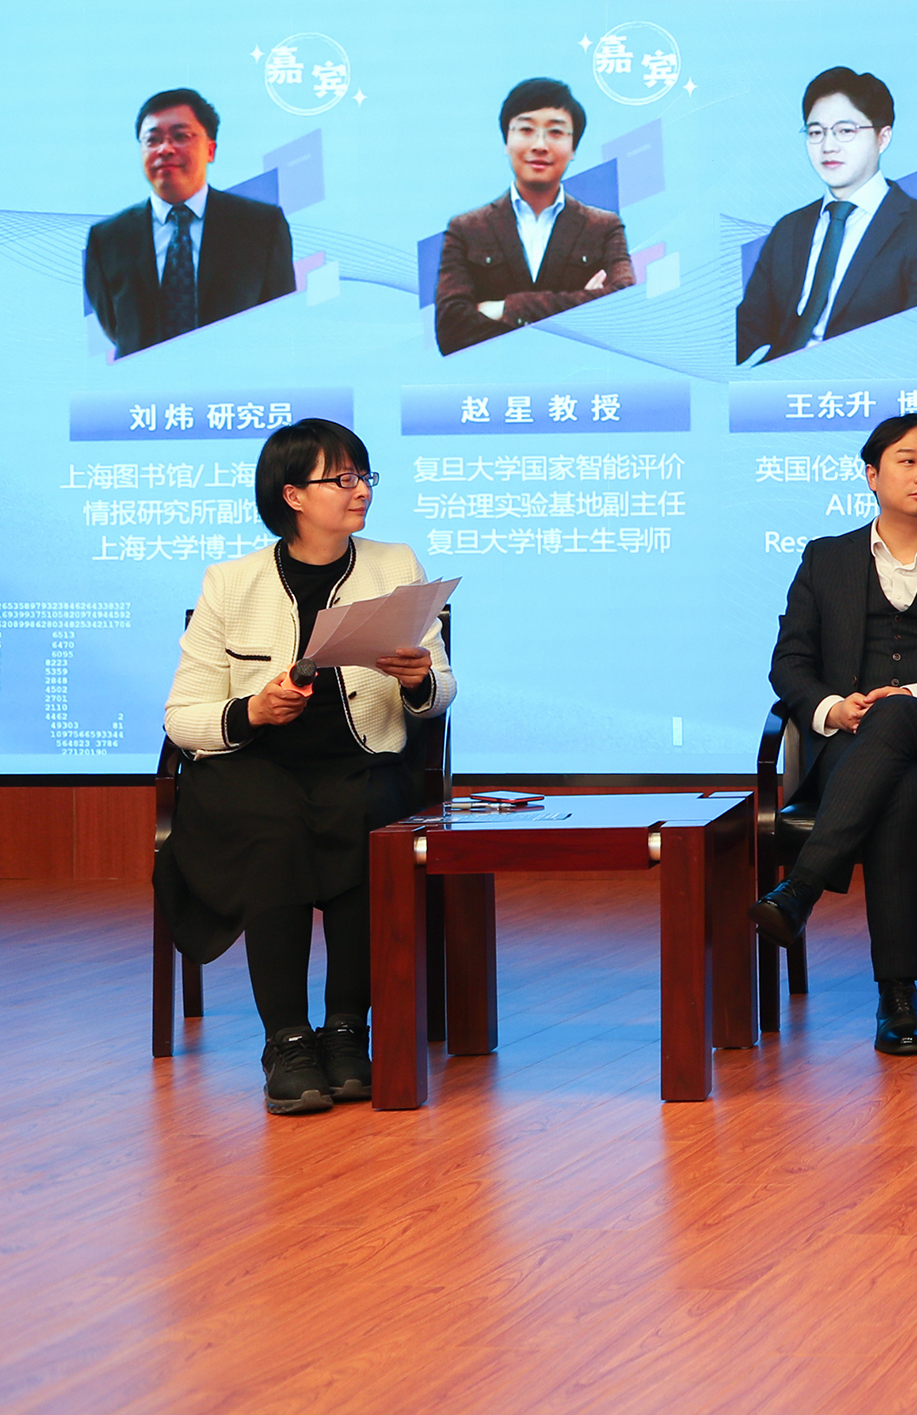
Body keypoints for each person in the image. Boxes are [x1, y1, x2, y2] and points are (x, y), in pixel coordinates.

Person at [156, 419, 454, 1115]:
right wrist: (253, 711)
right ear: (292, 495)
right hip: (252, 768)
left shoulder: (394, 566)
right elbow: (182, 716)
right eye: (342, 478)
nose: (361, 490)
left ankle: (348, 1031)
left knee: (366, 818)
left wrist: (418, 680)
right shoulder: (231, 583)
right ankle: (287, 1040)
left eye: (364, 476)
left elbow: (440, 687)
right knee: (273, 825)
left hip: (359, 763)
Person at [751, 413, 917, 1056]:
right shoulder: (825, 558)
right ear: (871, 475)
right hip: (852, 748)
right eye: (908, 460)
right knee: (901, 789)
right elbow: (790, 662)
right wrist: (833, 708)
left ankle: (802, 887)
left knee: (899, 715)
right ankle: (898, 997)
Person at [737, 67, 917, 364]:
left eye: (845, 131)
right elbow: (748, 328)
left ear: (883, 138)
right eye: (816, 132)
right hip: (776, 383)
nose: (828, 146)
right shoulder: (789, 229)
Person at [83, 88, 297, 358]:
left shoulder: (261, 227)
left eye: (180, 136)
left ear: (210, 149)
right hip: (143, 381)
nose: (164, 149)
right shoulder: (107, 239)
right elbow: (116, 328)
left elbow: (276, 318)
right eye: (152, 140)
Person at [435, 77, 635, 355]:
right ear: (506, 141)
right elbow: (451, 330)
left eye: (556, 132)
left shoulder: (603, 227)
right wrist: (585, 303)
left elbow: (624, 307)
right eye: (526, 129)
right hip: (493, 375)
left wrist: (507, 308)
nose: (540, 145)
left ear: (573, 148)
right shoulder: (467, 229)